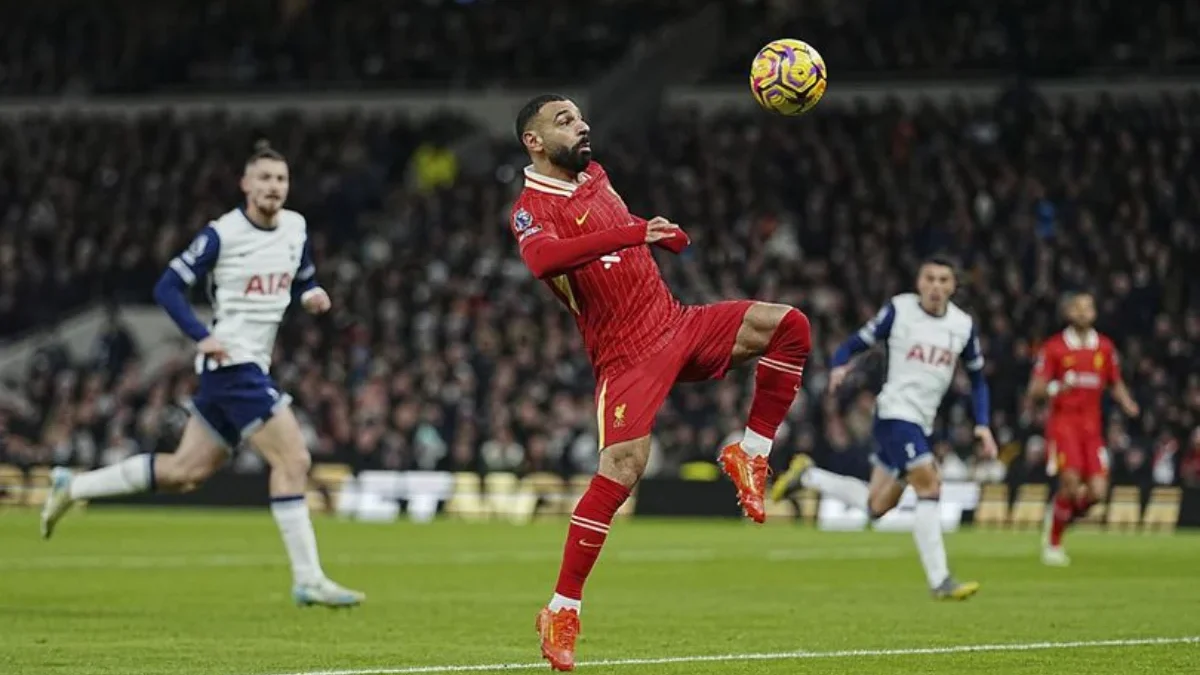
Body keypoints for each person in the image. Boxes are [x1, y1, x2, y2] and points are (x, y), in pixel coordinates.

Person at [512, 95, 811, 671]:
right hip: (626, 357)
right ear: (533, 141)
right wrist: (629, 235)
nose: (583, 125)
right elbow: (543, 262)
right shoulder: (529, 208)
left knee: (790, 326)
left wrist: (657, 234)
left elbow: (624, 229)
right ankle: (562, 607)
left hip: (677, 322)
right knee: (621, 471)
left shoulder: (596, 175)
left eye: (580, 116)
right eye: (565, 120)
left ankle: (750, 452)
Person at [39, 144, 364, 608]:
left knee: (185, 471)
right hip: (233, 365)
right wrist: (200, 334)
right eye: (265, 178)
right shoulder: (222, 234)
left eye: (281, 180)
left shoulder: (296, 227)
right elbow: (166, 286)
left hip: (246, 367)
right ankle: (308, 578)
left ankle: (74, 486)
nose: (274, 187)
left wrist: (312, 293)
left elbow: (304, 274)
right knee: (293, 461)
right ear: (246, 185)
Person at [772, 257, 997, 600]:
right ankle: (941, 580)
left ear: (953, 287)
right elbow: (855, 342)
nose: (936, 286)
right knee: (929, 484)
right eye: (930, 278)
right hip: (894, 413)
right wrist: (839, 366)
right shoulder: (900, 310)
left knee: (876, 506)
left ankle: (809, 477)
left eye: (943, 280)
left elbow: (979, 380)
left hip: (922, 422)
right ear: (919, 282)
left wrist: (982, 425)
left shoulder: (962, 326)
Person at [1025, 291, 1139, 566]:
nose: (1084, 313)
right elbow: (1034, 390)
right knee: (1071, 482)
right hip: (1064, 425)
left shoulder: (1105, 347)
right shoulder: (1054, 348)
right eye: (1078, 308)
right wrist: (1056, 387)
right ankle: (1053, 543)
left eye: (1088, 308)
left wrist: (1128, 403)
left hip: (1092, 428)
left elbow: (1115, 381)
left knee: (1098, 492)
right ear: (1068, 313)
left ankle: (1060, 515)